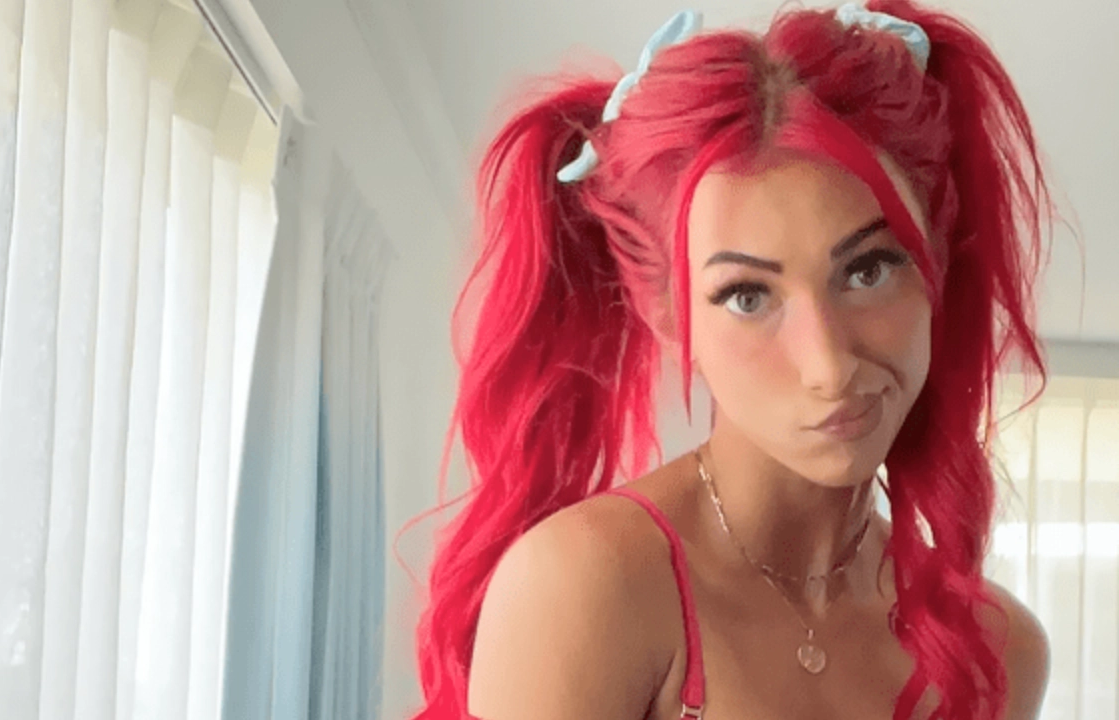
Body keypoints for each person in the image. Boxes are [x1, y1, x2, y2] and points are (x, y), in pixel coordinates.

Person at [409, 1, 1057, 718]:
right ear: (667, 315)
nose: (828, 366)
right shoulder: (590, 586)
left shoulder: (1001, 651)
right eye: (748, 295)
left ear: (934, 259)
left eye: (868, 269)